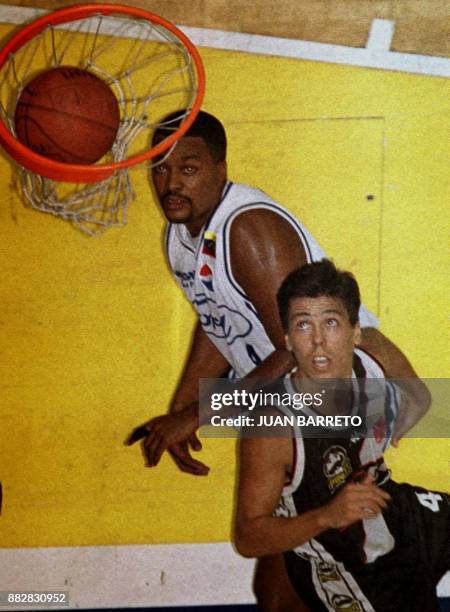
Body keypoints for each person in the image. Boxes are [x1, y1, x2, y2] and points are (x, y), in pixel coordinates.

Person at [127, 110, 429, 612]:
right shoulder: (180, 237)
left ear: (221, 170)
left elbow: (293, 351)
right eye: (159, 168)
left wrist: (195, 415)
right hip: (299, 400)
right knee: (284, 579)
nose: (171, 181)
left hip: (340, 392)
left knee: (298, 561)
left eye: (189, 167)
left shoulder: (248, 231)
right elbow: (216, 317)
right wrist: (184, 407)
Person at [234, 259, 448, 612]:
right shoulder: (272, 427)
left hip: (395, 508)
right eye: (303, 326)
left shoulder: (374, 355)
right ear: (287, 338)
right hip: (342, 555)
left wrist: (392, 431)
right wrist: (326, 517)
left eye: (331, 323)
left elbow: (420, 397)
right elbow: (248, 537)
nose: (318, 342)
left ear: (355, 331)